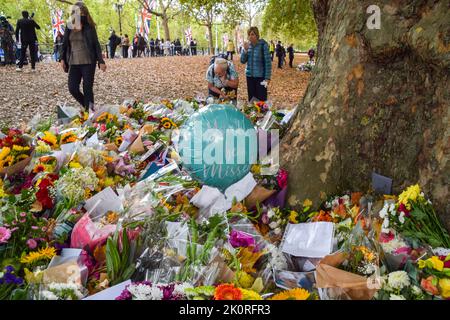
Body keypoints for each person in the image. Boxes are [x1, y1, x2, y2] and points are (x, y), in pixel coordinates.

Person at [61, 1, 106, 111]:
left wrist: (101, 61)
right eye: (78, 13)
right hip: (74, 61)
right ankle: (89, 107)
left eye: (83, 14)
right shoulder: (69, 26)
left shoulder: (89, 26)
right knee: (72, 88)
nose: (81, 16)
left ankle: (90, 111)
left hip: (88, 61)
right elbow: (65, 43)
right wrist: (62, 58)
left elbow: (96, 43)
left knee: (87, 88)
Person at [240, 27, 272, 102]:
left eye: (252, 34)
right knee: (251, 99)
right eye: (249, 35)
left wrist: (267, 78)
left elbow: (268, 63)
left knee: (261, 98)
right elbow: (242, 61)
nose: (250, 36)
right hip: (249, 77)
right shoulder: (247, 46)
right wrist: (245, 50)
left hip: (261, 77)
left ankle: (263, 113)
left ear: (257, 35)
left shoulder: (263, 45)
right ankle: (253, 113)